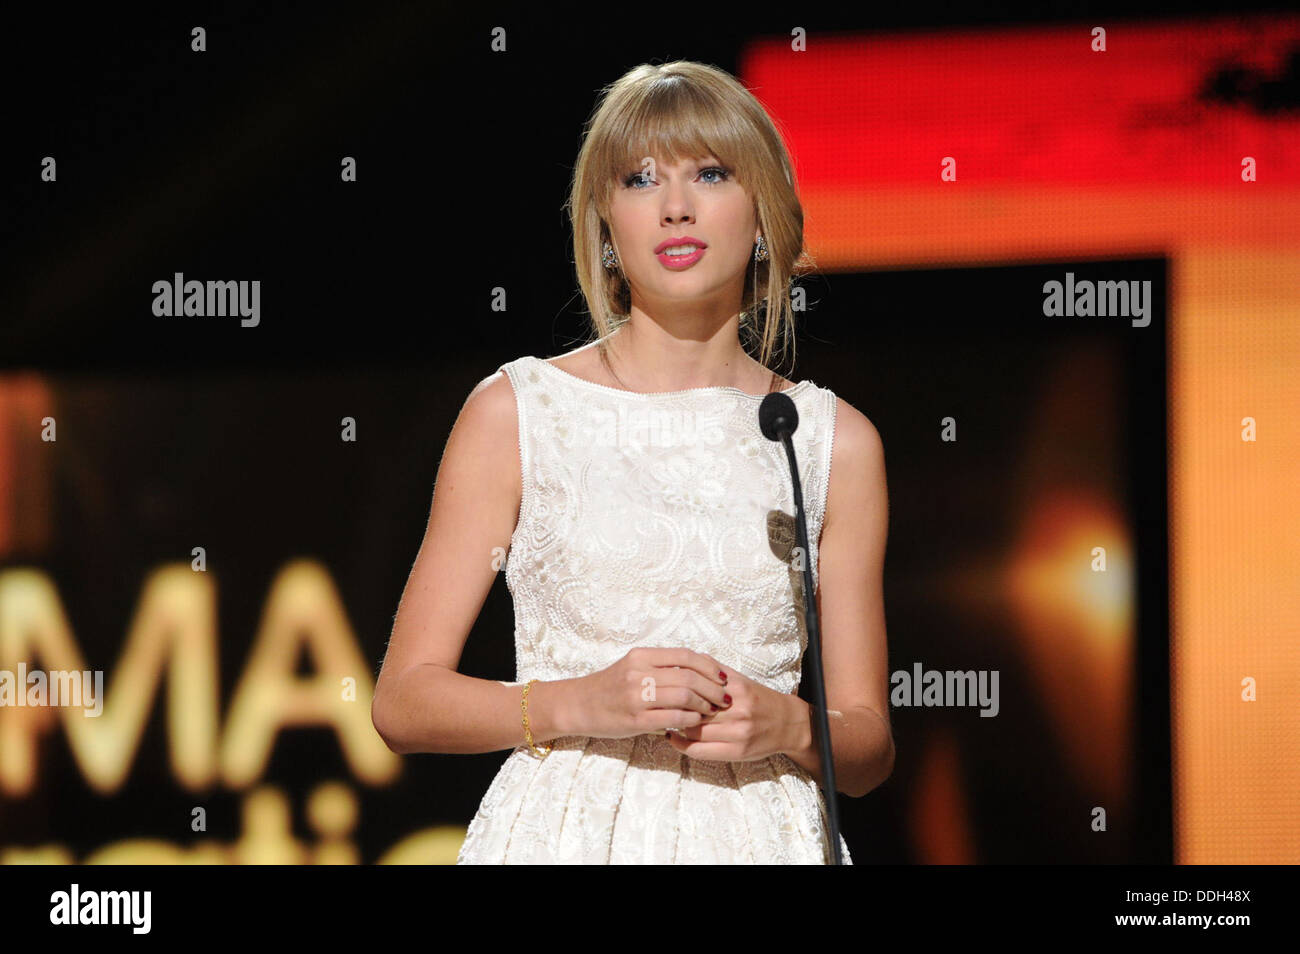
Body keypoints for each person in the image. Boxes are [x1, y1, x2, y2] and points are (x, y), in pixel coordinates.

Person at [371, 60, 893, 864]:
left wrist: (786, 723)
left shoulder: (830, 441)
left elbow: (867, 751)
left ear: (762, 217)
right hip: (561, 835)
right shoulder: (518, 413)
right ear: (606, 229)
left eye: (710, 174)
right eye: (641, 179)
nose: (676, 206)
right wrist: (582, 702)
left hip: (761, 836)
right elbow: (404, 701)